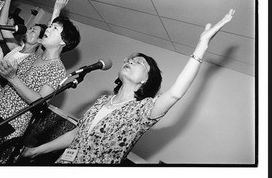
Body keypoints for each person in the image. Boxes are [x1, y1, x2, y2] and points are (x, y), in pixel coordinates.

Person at [21, 9, 235, 164]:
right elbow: (78, 134)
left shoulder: (143, 111)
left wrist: (202, 45)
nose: (131, 61)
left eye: (140, 62)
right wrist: (37, 151)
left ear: (145, 80)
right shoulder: (102, 101)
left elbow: (176, 93)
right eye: (131, 59)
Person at [0, 13, 81, 164]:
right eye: (50, 26)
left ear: (63, 42)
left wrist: (12, 77)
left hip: (8, 125)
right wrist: (0, 65)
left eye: (55, 28)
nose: (49, 29)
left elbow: (39, 101)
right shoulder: (32, 57)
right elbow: (8, 81)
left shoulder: (57, 70)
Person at [0, 0, 69, 97]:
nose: (29, 30)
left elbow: (51, 37)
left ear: (40, 40)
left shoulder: (33, 57)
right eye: (31, 28)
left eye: (34, 31)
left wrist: (56, 10)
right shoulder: (17, 48)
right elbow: (3, 26)